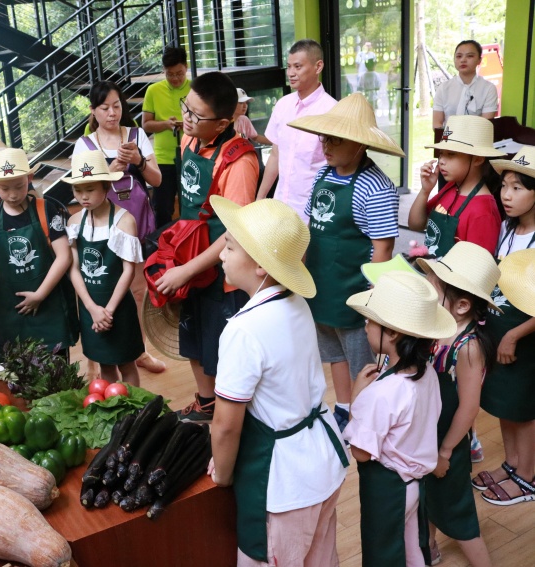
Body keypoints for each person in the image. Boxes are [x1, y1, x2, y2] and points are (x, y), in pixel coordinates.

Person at [207, 196, 348, 567]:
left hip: (285, 482)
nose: (221, 252)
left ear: (259, 266)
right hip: (323, 462)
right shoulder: (296, 302)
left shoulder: (243, 330)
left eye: (231, 246)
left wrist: (221, 474)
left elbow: (224, 425)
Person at [289, 93, 404, 432]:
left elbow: (383, 248)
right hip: (320, 286)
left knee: (360, 361)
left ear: (359, 144)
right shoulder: (324, 174)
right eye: (325, 137)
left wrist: (372, 299)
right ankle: (343, 406)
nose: (326, 145)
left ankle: (365, 415)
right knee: (333, 352)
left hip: (353, 291)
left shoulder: (377, 186)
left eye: (336, 139)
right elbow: (310, 229)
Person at [153, 71, 259, 423]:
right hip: (191, 259)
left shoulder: (240, 162)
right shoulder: (188, 140)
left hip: (223, 272)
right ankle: (205, 403)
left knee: (223, 351)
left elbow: (235, 233)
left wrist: (187, 269)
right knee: (194, 339)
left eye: (197, 116)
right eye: (187, 108)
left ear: (224, 123)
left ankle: (232, 419)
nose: (187, 118)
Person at [343, 271, 453, 567]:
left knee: (382, 555)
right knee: (411, 548)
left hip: (387, 489)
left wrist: (357, 397)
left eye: (370, 320)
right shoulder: (427, 373)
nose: (365, 326)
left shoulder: (381, 394)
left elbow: (361, 453)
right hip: (414, 485)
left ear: (391, 333)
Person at [73, 81, 165, 375]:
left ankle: (138, 351)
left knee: (137, 290)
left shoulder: (137, 135)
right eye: (104, 108)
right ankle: (95, 354)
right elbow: (81, 186)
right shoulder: (85, 144)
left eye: (116, 106)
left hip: (134, 217)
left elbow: (157, 180)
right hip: (102, 221)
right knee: (99, 283)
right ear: (93, 111)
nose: (112, 113)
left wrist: (138, 160)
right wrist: (110, 171)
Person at [417, 242, 497, 567]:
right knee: (427, 498)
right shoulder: (441, 330)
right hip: (429, 435)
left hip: (447, 443)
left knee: (459, 514)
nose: (431, 294)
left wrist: (446, 451)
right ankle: (430, 547)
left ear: (462, 305)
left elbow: (468, 408)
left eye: (437, 290)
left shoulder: (468, 348)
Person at [473, 149, 535, 506]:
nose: (507, 195)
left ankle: (527, 477)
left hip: (523, 337)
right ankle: (512, 466)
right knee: (504, 405)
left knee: (523, 409)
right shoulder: (507, 229)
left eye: (518, 188)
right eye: (505, 186)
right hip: (498, 331)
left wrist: (513, 335)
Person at [0, 148, 78, 358]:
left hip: (48, 303)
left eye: (19, 186)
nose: (13, 194)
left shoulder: (45, 208)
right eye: (4, 188)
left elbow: (64, 256)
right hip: (8, 308)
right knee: (18, 371)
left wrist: (40, 295)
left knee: (56, 369)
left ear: (30, 178)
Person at [63, 151, 144, 386]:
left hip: (117, 306)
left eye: (90, 190)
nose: (83, 197)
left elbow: (128, 271)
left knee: (126, 363)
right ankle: (112, 410)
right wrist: (91, 308)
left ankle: (133, 414)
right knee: (105, 364)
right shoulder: (74, 222)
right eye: (78, 190)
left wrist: (107, 311)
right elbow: (74, 269)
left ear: (106, 186)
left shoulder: (124, 220)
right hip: (90, 306)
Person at [256, 39, 336, 222]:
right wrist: (260, 198)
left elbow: (336, 168)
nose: (291, 73)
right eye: (289, 66)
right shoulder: (283, 105)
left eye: (298, 67)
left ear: (318, 67)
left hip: (314, 212)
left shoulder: (331, 111)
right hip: (280, 206)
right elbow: (275, 155)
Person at [408, 114, 504, 257]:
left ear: (477, 159)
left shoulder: (483, 212)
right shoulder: (451, 187)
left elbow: (477, 268)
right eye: (441, 154)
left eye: (451, 154)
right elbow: (415, 224)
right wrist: (425, 191)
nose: (441, 161)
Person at [142, 46, 191, 228]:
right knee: (162, 208)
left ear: (186, 67)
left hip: (191, 155)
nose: (175, 79)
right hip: (162, 159)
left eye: (179, 73)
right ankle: (162, 249)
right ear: (163, 71)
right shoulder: (153, 91)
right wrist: (165, 124)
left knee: (192, 206)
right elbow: (146, 124)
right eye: (170, 74)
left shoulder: (196, 88)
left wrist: (187, 124)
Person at [433, 40, 499, 129]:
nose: (463, 60)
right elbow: (437, 124)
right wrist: (448, 139)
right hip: (447, 139)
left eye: (470, 56)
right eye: (459, 56)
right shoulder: (444, 88)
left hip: (477, 140)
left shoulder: (488, 89)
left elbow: (486, 126)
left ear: (479, 60)